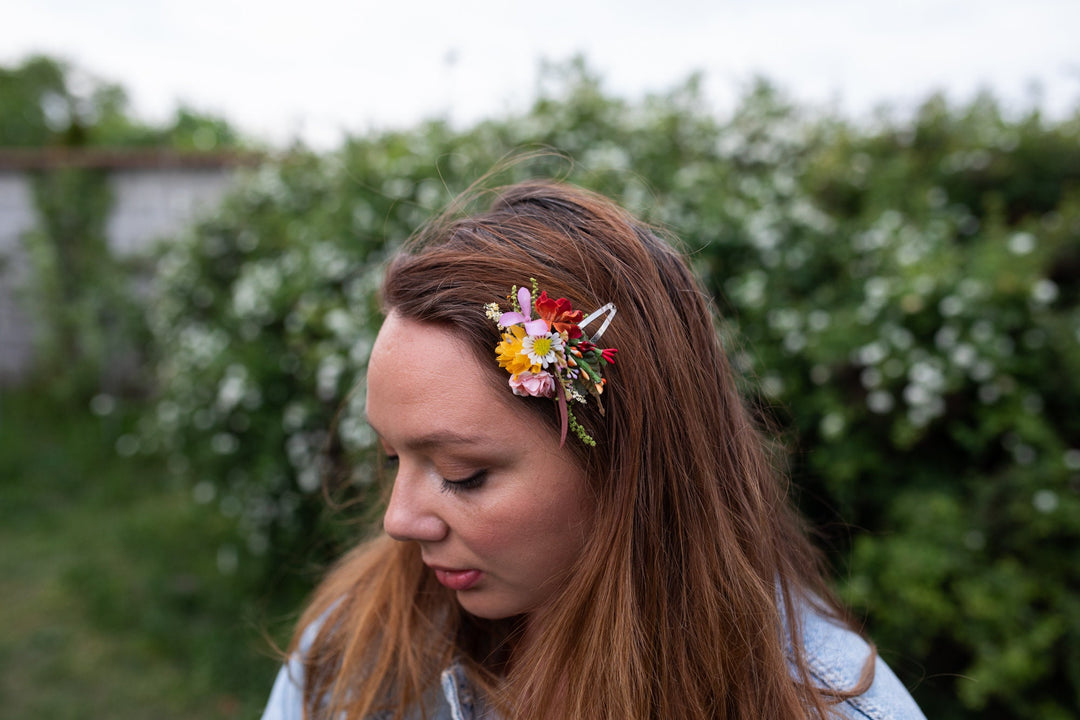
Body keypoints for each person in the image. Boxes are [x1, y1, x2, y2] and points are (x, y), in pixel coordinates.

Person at [261, 180, 926, 719]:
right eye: (390, 459)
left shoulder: (826, 704)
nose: (397, 521)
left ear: (626, 464)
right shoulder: (353, 659)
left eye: (463, 475)